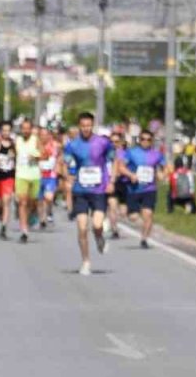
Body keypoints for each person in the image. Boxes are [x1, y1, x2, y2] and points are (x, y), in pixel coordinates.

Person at [61, 112, 114, 276]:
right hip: (81, 190)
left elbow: (114, 160)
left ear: (93, 125)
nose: (86, 128)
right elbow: (65, 162)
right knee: (82, 228)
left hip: (98, 189)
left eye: (89, 125)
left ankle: (99, 238)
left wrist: (112, 181)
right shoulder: (72, 145)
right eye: (83, 126)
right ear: (79, 126)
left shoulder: (103, 143)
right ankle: (86, 262)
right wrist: (67, 176)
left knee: (97, 225)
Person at [118, 130, 168, 249]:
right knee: (133, 217)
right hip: (133, 189)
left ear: (152, 141)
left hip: (149, 189)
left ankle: (144, 239)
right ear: (139, 140)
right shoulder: (131, 152)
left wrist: (162, 174)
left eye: (148, 139)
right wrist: (131, 175)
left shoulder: (157, 154)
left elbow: (166, 167)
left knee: (148, 214)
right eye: (143, 139)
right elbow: (121, 167)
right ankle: (137, 215)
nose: (145, 141)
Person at [12, 120, 40, 244]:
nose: (26, 131)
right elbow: (13, 154)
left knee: (33, 202)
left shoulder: (35, 140)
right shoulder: (17, 141)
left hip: (34, 175)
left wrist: (36, 157)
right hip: (21, 175)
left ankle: (33, 213)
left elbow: (45, 155)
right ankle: (24, 230)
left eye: (28, 128)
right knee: (22, 202)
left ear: (31, 129)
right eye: (23, 128)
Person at [0, 121, 17, 240]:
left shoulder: (14, 144)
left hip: (9, 176)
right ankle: (1, 212)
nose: (6, 133)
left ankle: (4, 227)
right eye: (4, 130)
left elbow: (19, 158)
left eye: (8, 130)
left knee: (7, 201)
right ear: (0, 131)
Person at [106, 133, 129, 239]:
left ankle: (116, 221)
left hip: (123, 183)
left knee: (123, 211)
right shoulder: (106, 154)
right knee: (112, 206)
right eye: (112, 142)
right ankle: (114, 229)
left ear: (121, 142)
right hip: (111, 182)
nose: (114, 144)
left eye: (116, 142)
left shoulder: (125, 154)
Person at [37, 126, 60, 229]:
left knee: (48, 197)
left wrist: (58, 167)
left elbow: (59, 157)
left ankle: (49, 212)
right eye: (42, 135)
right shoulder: (36, 146)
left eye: (46, 134)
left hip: (50, 176)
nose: (44, 137)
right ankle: (42, 220)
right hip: (38, 176)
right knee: (39, 200)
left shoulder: (54, 146)